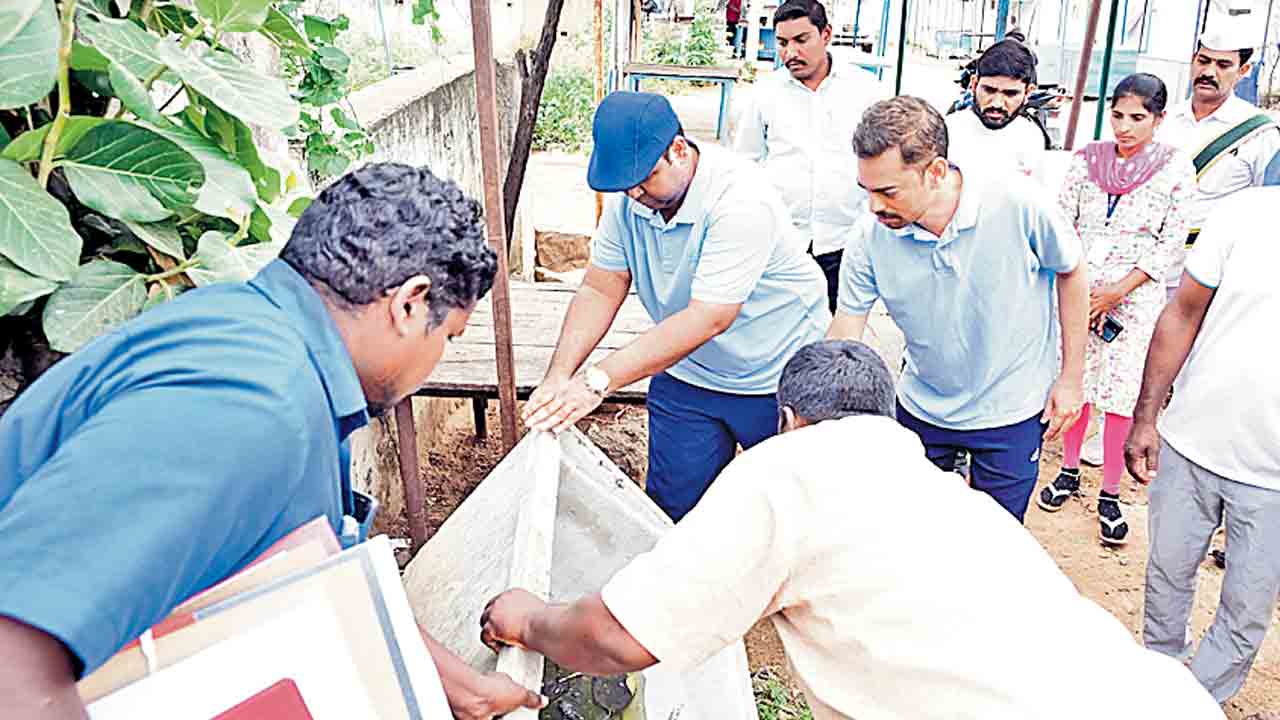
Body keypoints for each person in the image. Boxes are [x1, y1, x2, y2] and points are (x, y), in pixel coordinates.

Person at [0, 164, 544, 720]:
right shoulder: (250, 403)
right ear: (409, 304)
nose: (437, 362)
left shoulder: (265, 342)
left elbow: (310, 574)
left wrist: (461, 687)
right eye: (449, 337)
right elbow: (13, 664)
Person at [481, 340, 1224, 720]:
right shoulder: (953, 500)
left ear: (789, 419)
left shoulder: (789, 471)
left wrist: (526, 618)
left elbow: (618, 638)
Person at [522, 91, 829, 522]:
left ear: (679, 151)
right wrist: (559, 375)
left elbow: (711, 316)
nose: (634, 192)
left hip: (777, 370)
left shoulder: (739, 201)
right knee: (672, 511)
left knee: (790, 511)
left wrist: (597, 381)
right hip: (691, 369)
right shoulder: (630, 199)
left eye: (645, 178)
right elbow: (601, 287)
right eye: (625, 184)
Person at [829, 96, 1088, 522]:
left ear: (935, 171)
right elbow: (847, 326)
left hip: (1012, 406)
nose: (874, 206)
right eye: (867, 191)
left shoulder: (1017, 202)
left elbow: (1072, 270)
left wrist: (1071, 378)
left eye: (887, 191)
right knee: (913, 530)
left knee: (998, 540)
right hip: (923, 404)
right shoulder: (869, 236)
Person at [1126, 186, 1280, 712]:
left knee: (1245, 615)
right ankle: (1158, 683)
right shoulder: (1244, 212)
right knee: (1166, 575)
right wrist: (1145, 415)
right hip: (1190, 445)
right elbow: (1182, 314)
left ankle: (1193, 705)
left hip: (1273, 484)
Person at [1037, 74, 1194, 545]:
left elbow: (1171, 244)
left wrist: (1118, 290)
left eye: (1138, 118)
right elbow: (1061, 223)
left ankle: (1110, 491)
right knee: (1077, 380)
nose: (1125, 127)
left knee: (1120, 393)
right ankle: (1067, 470)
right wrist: (1081, 287)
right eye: (1119, 115)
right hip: (1078, 291)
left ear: (1159, 119)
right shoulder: (1087, 162)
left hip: (1135, 299)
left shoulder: (1175, 170)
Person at [734, 0, 889, 312]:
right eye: (782, 43)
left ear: (826, 34)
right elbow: (745, 164)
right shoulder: (765, 93)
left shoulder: (866, 90)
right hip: (782, 242)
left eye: (801, 40)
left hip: (846, 240)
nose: (790, 53)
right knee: (778, 333)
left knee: (838, 338)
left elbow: (887, 160)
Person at [1154, 14, 1280, 303]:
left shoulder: (1259, 134)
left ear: (1243, 71)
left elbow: (1265, 213)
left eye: (1223, 65)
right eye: (1203, 60)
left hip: (1208, 276)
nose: (1209, 71)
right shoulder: (1165, 119)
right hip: (1149, 267)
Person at [946, 39, 1048, 181]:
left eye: (1010, 93)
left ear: (1028, 93)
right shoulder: (949, 130)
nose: (997, 103)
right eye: (989, 90)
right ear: (974, 84)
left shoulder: (1031, 137)